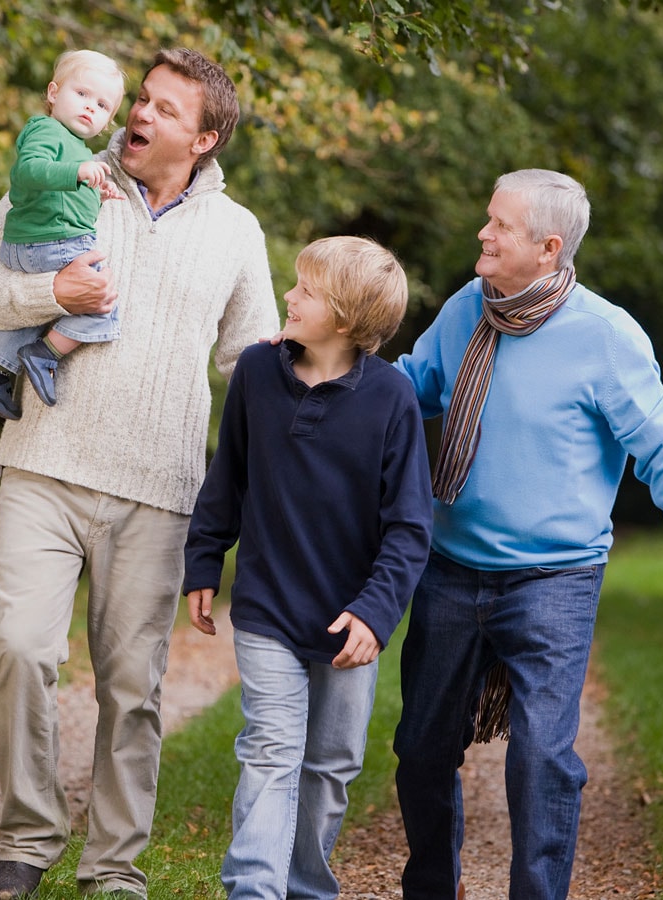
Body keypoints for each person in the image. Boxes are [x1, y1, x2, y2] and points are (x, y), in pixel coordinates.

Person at [0, 48, 280, 900]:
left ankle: (112, 867)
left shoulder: (237, 234)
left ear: (203, 138)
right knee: (20, 651)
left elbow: (253, 363)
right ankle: (27, 838)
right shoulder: (62, 174)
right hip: (43, 463)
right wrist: (48, 291)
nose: (139, 113)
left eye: (166, 109)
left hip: (159, 490)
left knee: (133, 690)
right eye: (141, 98)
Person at [390, 168, 663, 900]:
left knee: (541, 757)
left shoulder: (605, 337)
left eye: (500, 226)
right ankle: (430, 888)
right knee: (420, 749)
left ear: (548, 248)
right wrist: (327, 367)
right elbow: (411, 385)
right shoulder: (464, 310)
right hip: (450, 569)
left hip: (554, 578)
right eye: (488, 218)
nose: (483, 234)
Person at [183, 236, 433, 900]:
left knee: (329, 768)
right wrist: (205, 558)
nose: (288, 296)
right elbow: (227, 475)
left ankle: (306, 888)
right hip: (267, 605)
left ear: (346, 320)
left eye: (307, 290)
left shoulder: (392, 400)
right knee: (270, 751)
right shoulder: (258, 376)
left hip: (353, 621)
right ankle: (255, 892)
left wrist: (376, 615)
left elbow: (410, 528)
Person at [0, 49, 128, 419]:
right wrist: (77, 174)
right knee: (102, 301)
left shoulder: (79, 150)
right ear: (54, 93)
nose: (91, 107)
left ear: (108, 121)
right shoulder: (46, 129)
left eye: (103, 105)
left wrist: (96, 192)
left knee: (39, 309)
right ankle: (45, 354)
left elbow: (61, 196)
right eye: (82, 94)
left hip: (41, 241)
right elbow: (29, 172)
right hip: (45, 242)